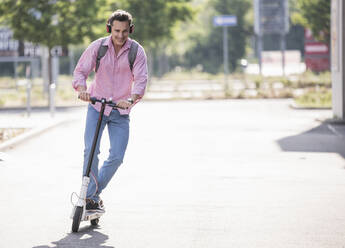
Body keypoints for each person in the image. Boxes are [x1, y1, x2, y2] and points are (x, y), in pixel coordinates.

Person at [72, 9, 148, 211]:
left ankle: (93, 194)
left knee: (117, 156)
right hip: (97, 107)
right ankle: (89, 198)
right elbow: (81, 71)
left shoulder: (136, 51)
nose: (120, 36)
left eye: (124, 31)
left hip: (120, 111)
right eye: (116, 31)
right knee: (91, 151)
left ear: (130, 30)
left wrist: (130, 99)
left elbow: (141, 81)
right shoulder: (98, 47)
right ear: (109, 28)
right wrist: (82, 90)